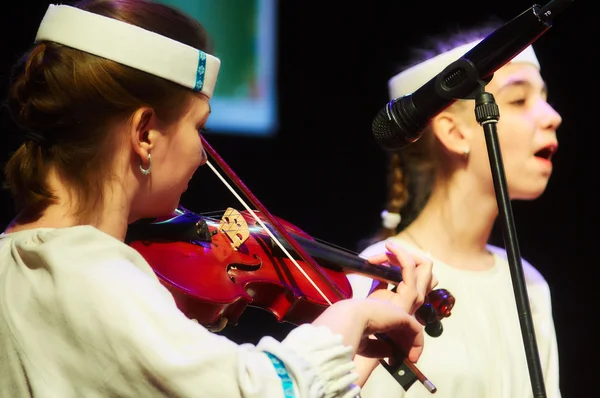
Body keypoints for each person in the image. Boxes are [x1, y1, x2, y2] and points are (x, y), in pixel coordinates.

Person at [0, 1, 438, 397]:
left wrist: (363, 317)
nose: (200, 155)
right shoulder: (90, 273)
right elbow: (257, 391)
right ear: (144, 133)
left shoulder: (25, 262)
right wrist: (352, 317)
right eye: (199, 128)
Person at [348, 21, 563, 398]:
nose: (551, 116)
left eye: (543, 97)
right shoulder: (379, 277)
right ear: (454, 132)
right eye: (518, 100)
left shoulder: (530, 285)